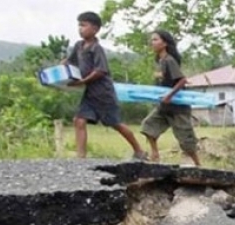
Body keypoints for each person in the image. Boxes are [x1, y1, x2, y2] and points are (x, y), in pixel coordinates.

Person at [63, 11, 147, 160]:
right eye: (79, 25)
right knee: (79, 120)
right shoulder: (79, 46)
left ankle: (139, 151)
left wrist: (82, 82)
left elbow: (100, 71)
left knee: (115, 123)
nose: (80, 28)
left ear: (95, 29)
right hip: (89, 94)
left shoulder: (96, 49)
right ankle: (80, 157)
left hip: (103, 93)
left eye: (83, 25)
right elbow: (69, 62)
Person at [139, 30, 200, 166]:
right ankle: (155, 154)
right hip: (164, 106)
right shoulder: (160, 61)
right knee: (148, 126)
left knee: (186, 140)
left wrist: (169, 95)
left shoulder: (169, 60)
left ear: (164, 43)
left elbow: (182, 81)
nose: (152, 42)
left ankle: (198, 164)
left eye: (155, 40)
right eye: (152, 40)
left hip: (178, 108)